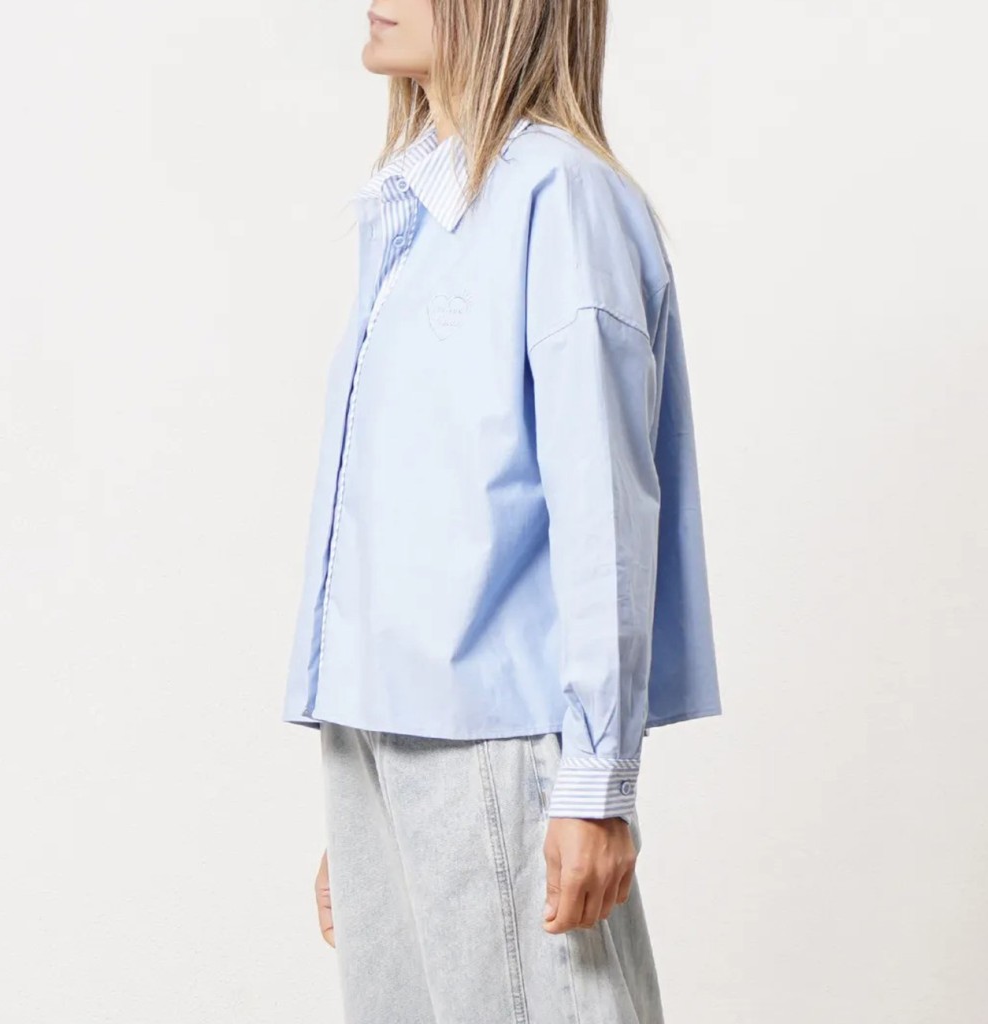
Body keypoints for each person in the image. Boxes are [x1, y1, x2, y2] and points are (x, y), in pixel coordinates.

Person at [282, 2, 722, 1020]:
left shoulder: (559, 195)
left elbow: (605, 507)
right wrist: (374, 816)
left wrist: (595, 783)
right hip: (382, 735)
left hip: (493, 737)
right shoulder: (414, 210)